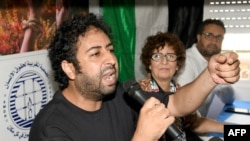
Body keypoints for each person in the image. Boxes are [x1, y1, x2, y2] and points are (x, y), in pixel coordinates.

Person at [28, 13, 240, 141]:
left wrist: (212, 76)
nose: (110, 59)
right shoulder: (51, 128)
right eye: (96, 53)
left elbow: (176, 102)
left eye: (110, 49)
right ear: (70, 69)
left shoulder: (121, 94)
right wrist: (143, 137)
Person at [138, 32, 224, 141]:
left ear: (178, 65)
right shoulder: (141, 94)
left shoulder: (178, 90)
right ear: (149, 64)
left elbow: (195, 123)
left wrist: (239, 131)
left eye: (170, 56)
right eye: (157, 56)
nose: (164, 61)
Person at [174, 19, 235, 117]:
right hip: (184, 126)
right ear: (198, 37)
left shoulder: (215, 63)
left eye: (219, 37)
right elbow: (186, 109)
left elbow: (229, 99)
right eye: (209, 35)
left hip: (199, 123)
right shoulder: (186, 60)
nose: (214, 41)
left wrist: (227, 78)